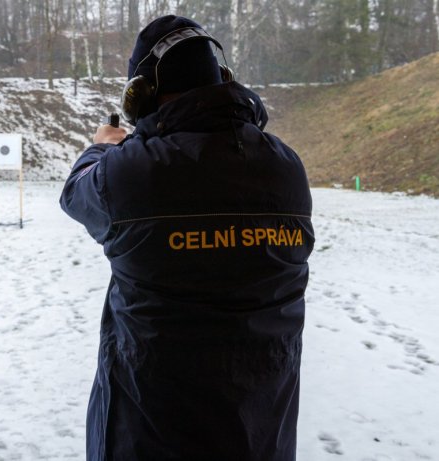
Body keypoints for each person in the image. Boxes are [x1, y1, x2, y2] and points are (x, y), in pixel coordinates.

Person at [60, 15, 314, 461]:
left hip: (152, 435)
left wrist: (102, 146)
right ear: (224, 80)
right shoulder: (286, 166)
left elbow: (76, 192)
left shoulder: (131, 172)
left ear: (141, 93)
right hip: (262, 435)